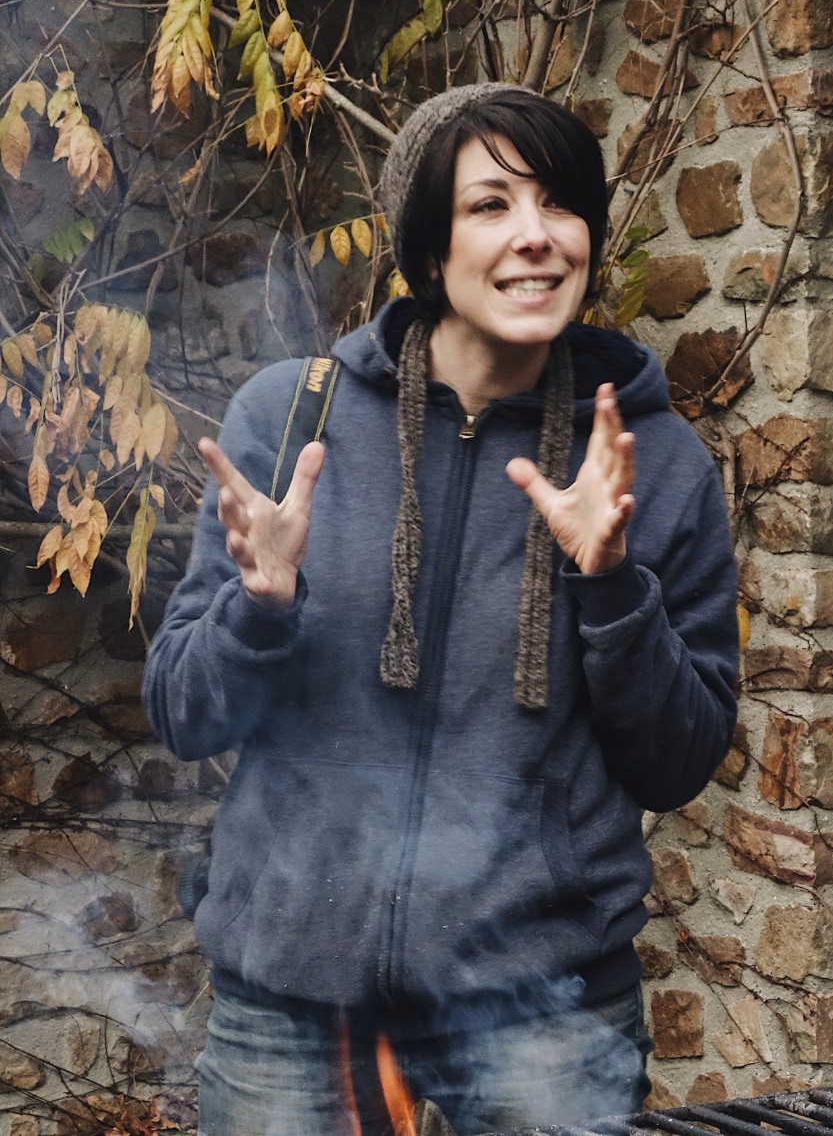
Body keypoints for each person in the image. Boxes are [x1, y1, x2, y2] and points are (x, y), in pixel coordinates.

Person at [143, 83, 740, 1135]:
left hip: (544, 1015)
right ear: (426, 249)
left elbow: (678, 759)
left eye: (560, 206)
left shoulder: (653, 461)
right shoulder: (292, 422)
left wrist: (609, 582)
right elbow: (187, 713)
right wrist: (261, 604)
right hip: (294, 1008)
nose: (537, 238)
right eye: (490, 206)